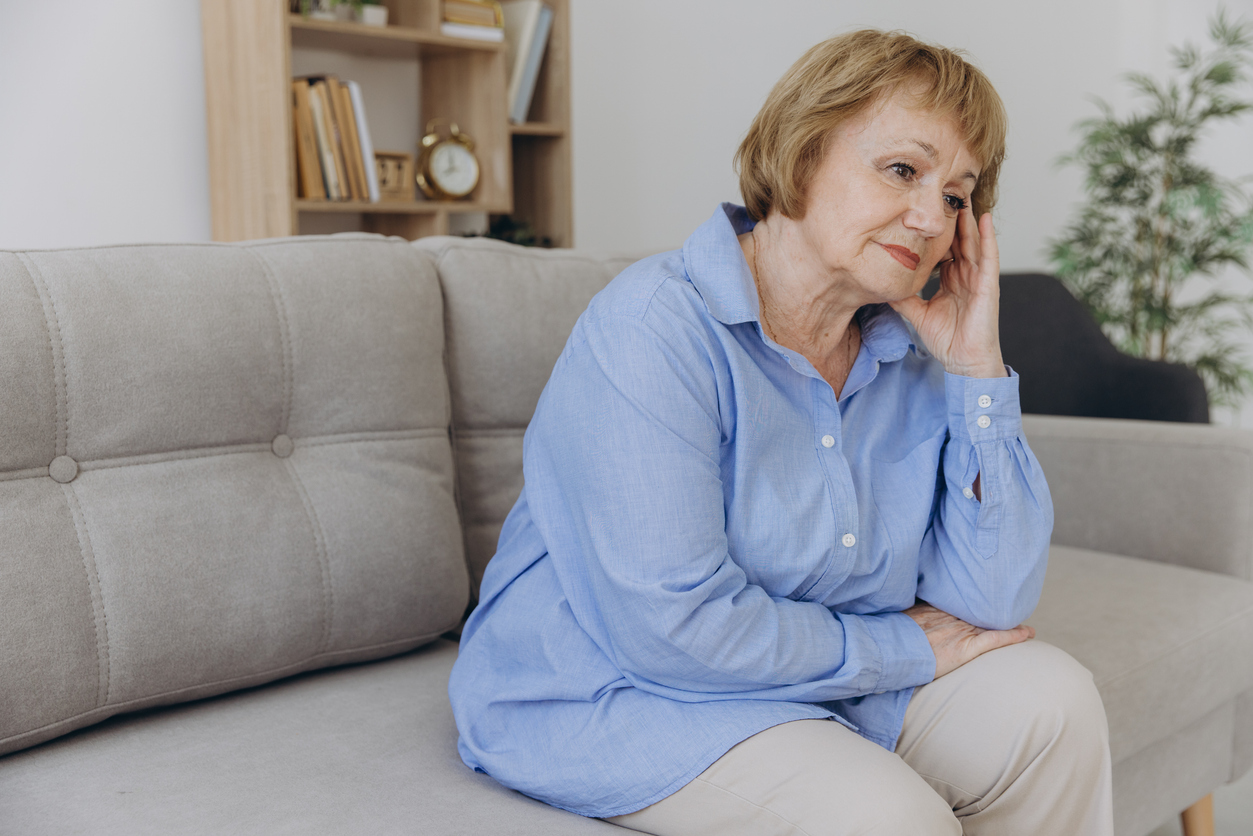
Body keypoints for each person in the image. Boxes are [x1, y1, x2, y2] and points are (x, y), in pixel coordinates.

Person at [449, 28, 1114, 836]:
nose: (930, 217)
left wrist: (976, 368)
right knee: (883, 817)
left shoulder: (908, 346)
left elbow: (994, 599)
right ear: (800, 153)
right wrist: (898, 651)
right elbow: (673, 630)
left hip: (814, 677)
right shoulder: (653, 329)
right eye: (902, 169)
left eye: (954, 195)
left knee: (1054, 705)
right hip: (620, 689)